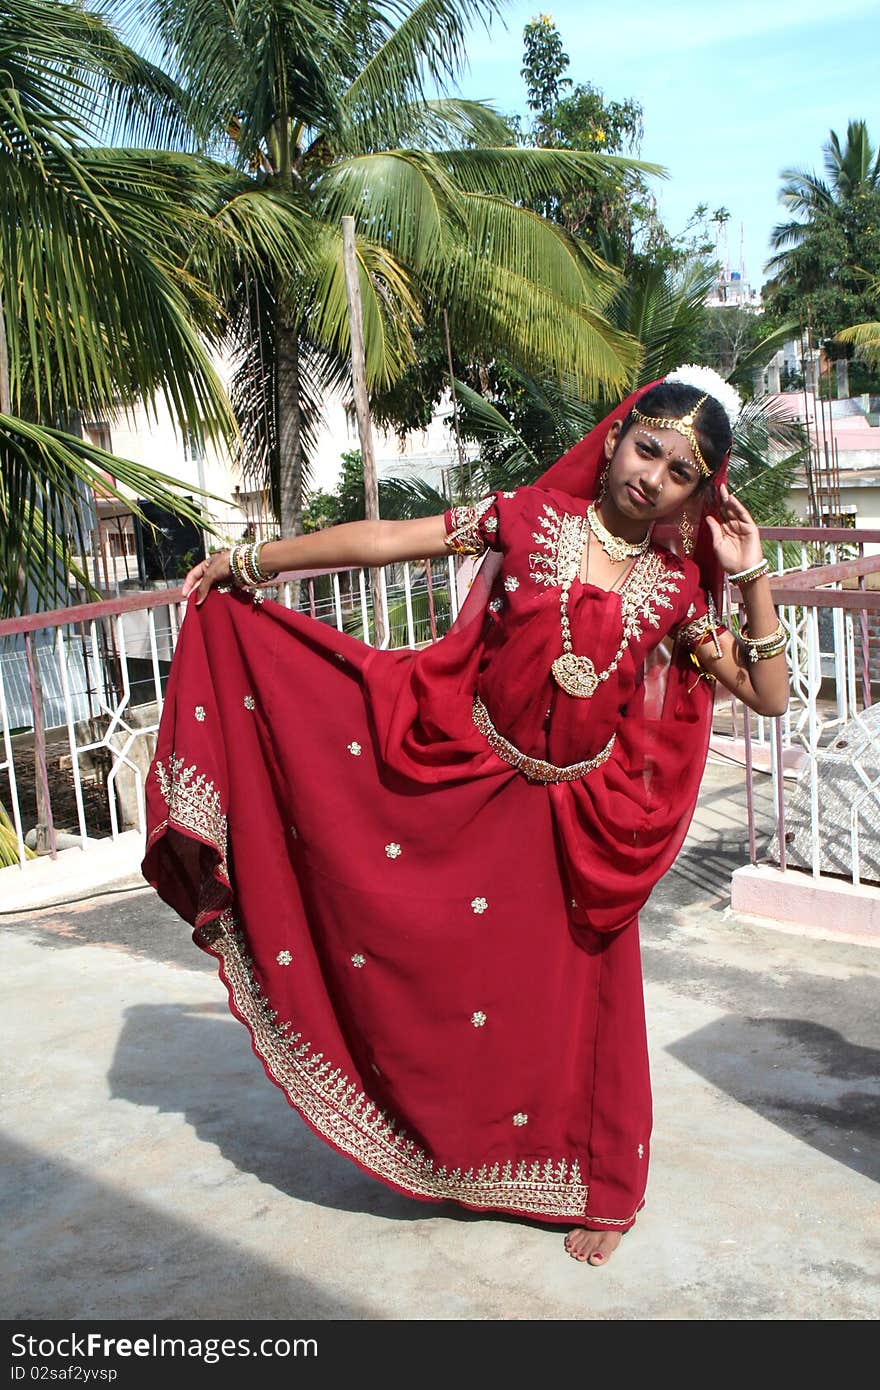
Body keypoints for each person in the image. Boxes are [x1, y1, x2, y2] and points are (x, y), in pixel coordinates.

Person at [143, 365, 789, 1269]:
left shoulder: (679, 591)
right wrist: (252, 562)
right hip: (469, 776)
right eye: (647, 449)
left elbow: (766, 693)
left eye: (680, 473)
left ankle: (601, 1186)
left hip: (583, 822)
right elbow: (384, 542)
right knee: (452, 985)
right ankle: (450, 1146)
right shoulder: (524, 519)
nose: (654, 476)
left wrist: (749, 573)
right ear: (613, 442)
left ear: (694, 493)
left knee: (581, 1006)